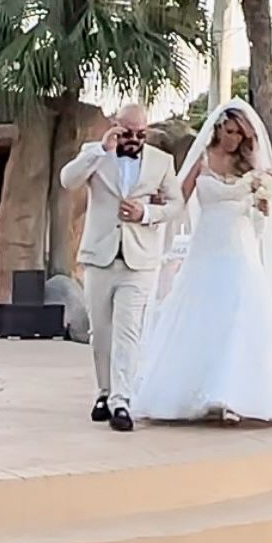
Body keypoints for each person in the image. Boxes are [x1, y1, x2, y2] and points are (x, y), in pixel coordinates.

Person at [132, 98, 272, 426]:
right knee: (199, 315)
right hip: (206, 248)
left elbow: (264, 214)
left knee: (241, 317)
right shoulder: (201, 161)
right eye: (229, 132)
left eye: (240, 135)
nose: (233, 140)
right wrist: (150, 215)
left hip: (240, 248)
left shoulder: (253, 169)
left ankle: (234, 396)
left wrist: (262, 195)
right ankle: (193, 391)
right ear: (218, 130)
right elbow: (177, 200)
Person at [60, 102, 182, 432]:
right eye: (128, 132)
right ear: (116, 126)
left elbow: (176, 204)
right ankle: (104, 392)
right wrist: (101, 150)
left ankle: (122, 400)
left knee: (129, 331)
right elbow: (68, 180)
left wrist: (146, 214)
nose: (134, 139)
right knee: (101, 331)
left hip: (139, 259)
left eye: (140, 134)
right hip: (99, 256)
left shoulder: (161, 162)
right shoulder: (95, 153)